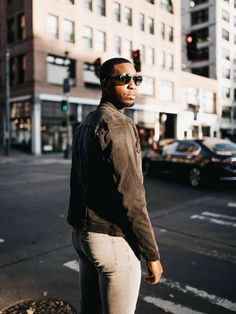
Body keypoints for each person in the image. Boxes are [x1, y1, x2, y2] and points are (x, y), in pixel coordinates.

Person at [67, 57, 163, 314]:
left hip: (83, 236)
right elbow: (132, 197)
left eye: (136, 79)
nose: (132, 85)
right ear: (105, 84)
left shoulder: (86, 122)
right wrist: (152, 254)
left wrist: (77, 228)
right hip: (111, 239)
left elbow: (76, 182)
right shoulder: (119, 125)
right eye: (124, 79)